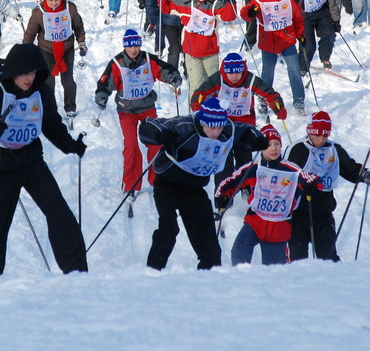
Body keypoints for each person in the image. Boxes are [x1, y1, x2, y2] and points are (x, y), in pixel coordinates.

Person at [0, 43, 87, 276]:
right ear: (13, 71)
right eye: (24, 72)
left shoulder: (41, 92)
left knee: (59, 213)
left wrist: (71, 146)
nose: (30, 78)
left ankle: (77, 273)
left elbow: (51, 125)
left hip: (30, 161)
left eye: (33, 72)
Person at [138, 97, 269, 270]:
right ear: (202, 122)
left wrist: (257, 140)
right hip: (168, 186)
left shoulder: (226, 130)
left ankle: (209, 278)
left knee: (209, 243)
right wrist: (161, 135)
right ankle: (152, 272)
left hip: (194, 190)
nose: (216, 133)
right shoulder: (184, 127)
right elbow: (147, 126)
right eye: (211, 127)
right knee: (169, 229)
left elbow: (244, 131)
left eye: (219, 127)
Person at [215, 124, 322, 266]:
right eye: (268, 145)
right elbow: (231, 181)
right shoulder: (254, 169)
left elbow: (309, 179)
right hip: (255, 220)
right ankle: (240, 282)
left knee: (274, 269)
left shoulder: (290, 169)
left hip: (278, 226)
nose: (274, 148)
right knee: (239, 252)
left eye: (277, 144)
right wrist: (222, 196)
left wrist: (312, 185)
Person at [94, 29, 183, 195]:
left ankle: (157, 180)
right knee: (131, 147)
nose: (134, 49)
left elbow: (164, 69)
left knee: (156, 143)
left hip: (147, 108)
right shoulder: (117, 62)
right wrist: (102, 96)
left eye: (136, 45)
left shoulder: (148, 59)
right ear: (124, 47)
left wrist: (173, 76)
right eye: (130, 46)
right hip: (127, 111)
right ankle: (131, 185)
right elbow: (105, 82)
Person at [282, 111, 370, 261]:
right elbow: (285, 176)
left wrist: (364, 174)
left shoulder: (334, 149)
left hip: (323, 213)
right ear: (310, 131)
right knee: (298, 258)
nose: (320, 140)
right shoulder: (297, 149)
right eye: (317, 135)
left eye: (324, 136)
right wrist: (302, 185)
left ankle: (335, 283)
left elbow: (349, 168)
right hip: (298, 213)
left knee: (328, 256)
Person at [190, 52, 286, 188]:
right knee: (224, 163)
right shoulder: (218, 78)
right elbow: (200, 94)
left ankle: (246, 190)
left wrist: (277, 104)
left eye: (238, 73)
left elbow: (268, 93)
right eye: (231, 73)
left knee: (245, 161)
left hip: (245, 126)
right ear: (225, 72)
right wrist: (198, 108)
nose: (235, 76)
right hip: (223, 127)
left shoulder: (250, 79)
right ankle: (222, 194)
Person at [240, 0, 306, 113]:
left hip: (287, 40)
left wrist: (301, 35)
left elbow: (298, 19)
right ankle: (264, 101)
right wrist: (250, 12)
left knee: (294, 70)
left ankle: (299, 101)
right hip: (268, 42)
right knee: (267, 73)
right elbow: (245, 12)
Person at [22, 0, 87, 117]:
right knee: (48, 81)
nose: (54, 3)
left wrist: (81, 42)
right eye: (50, 0)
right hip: (46, 50)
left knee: (68, 80)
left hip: (66, 48)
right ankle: (48, 107)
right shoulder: (39, 12)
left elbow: (78, 27)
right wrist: (25, 50)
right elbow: (30, 33)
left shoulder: (70, 9)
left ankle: (70, 106)